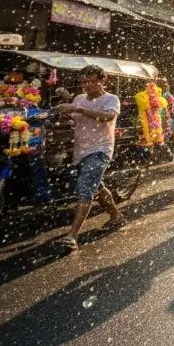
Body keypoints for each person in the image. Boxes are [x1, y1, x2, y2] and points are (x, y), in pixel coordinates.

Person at [54, 65, 125, 251]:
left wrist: (80, 109)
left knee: (86, 187)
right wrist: (64, 115)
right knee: (97, 186)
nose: (86, 85)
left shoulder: (111, 99)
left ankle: (72, 235)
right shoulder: (79, 98)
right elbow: (74, 120)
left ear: (103, 80)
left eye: (91, 81)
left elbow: (108, 117)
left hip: (100, 149)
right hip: (81, 150)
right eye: (84, 82)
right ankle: (116, 216)